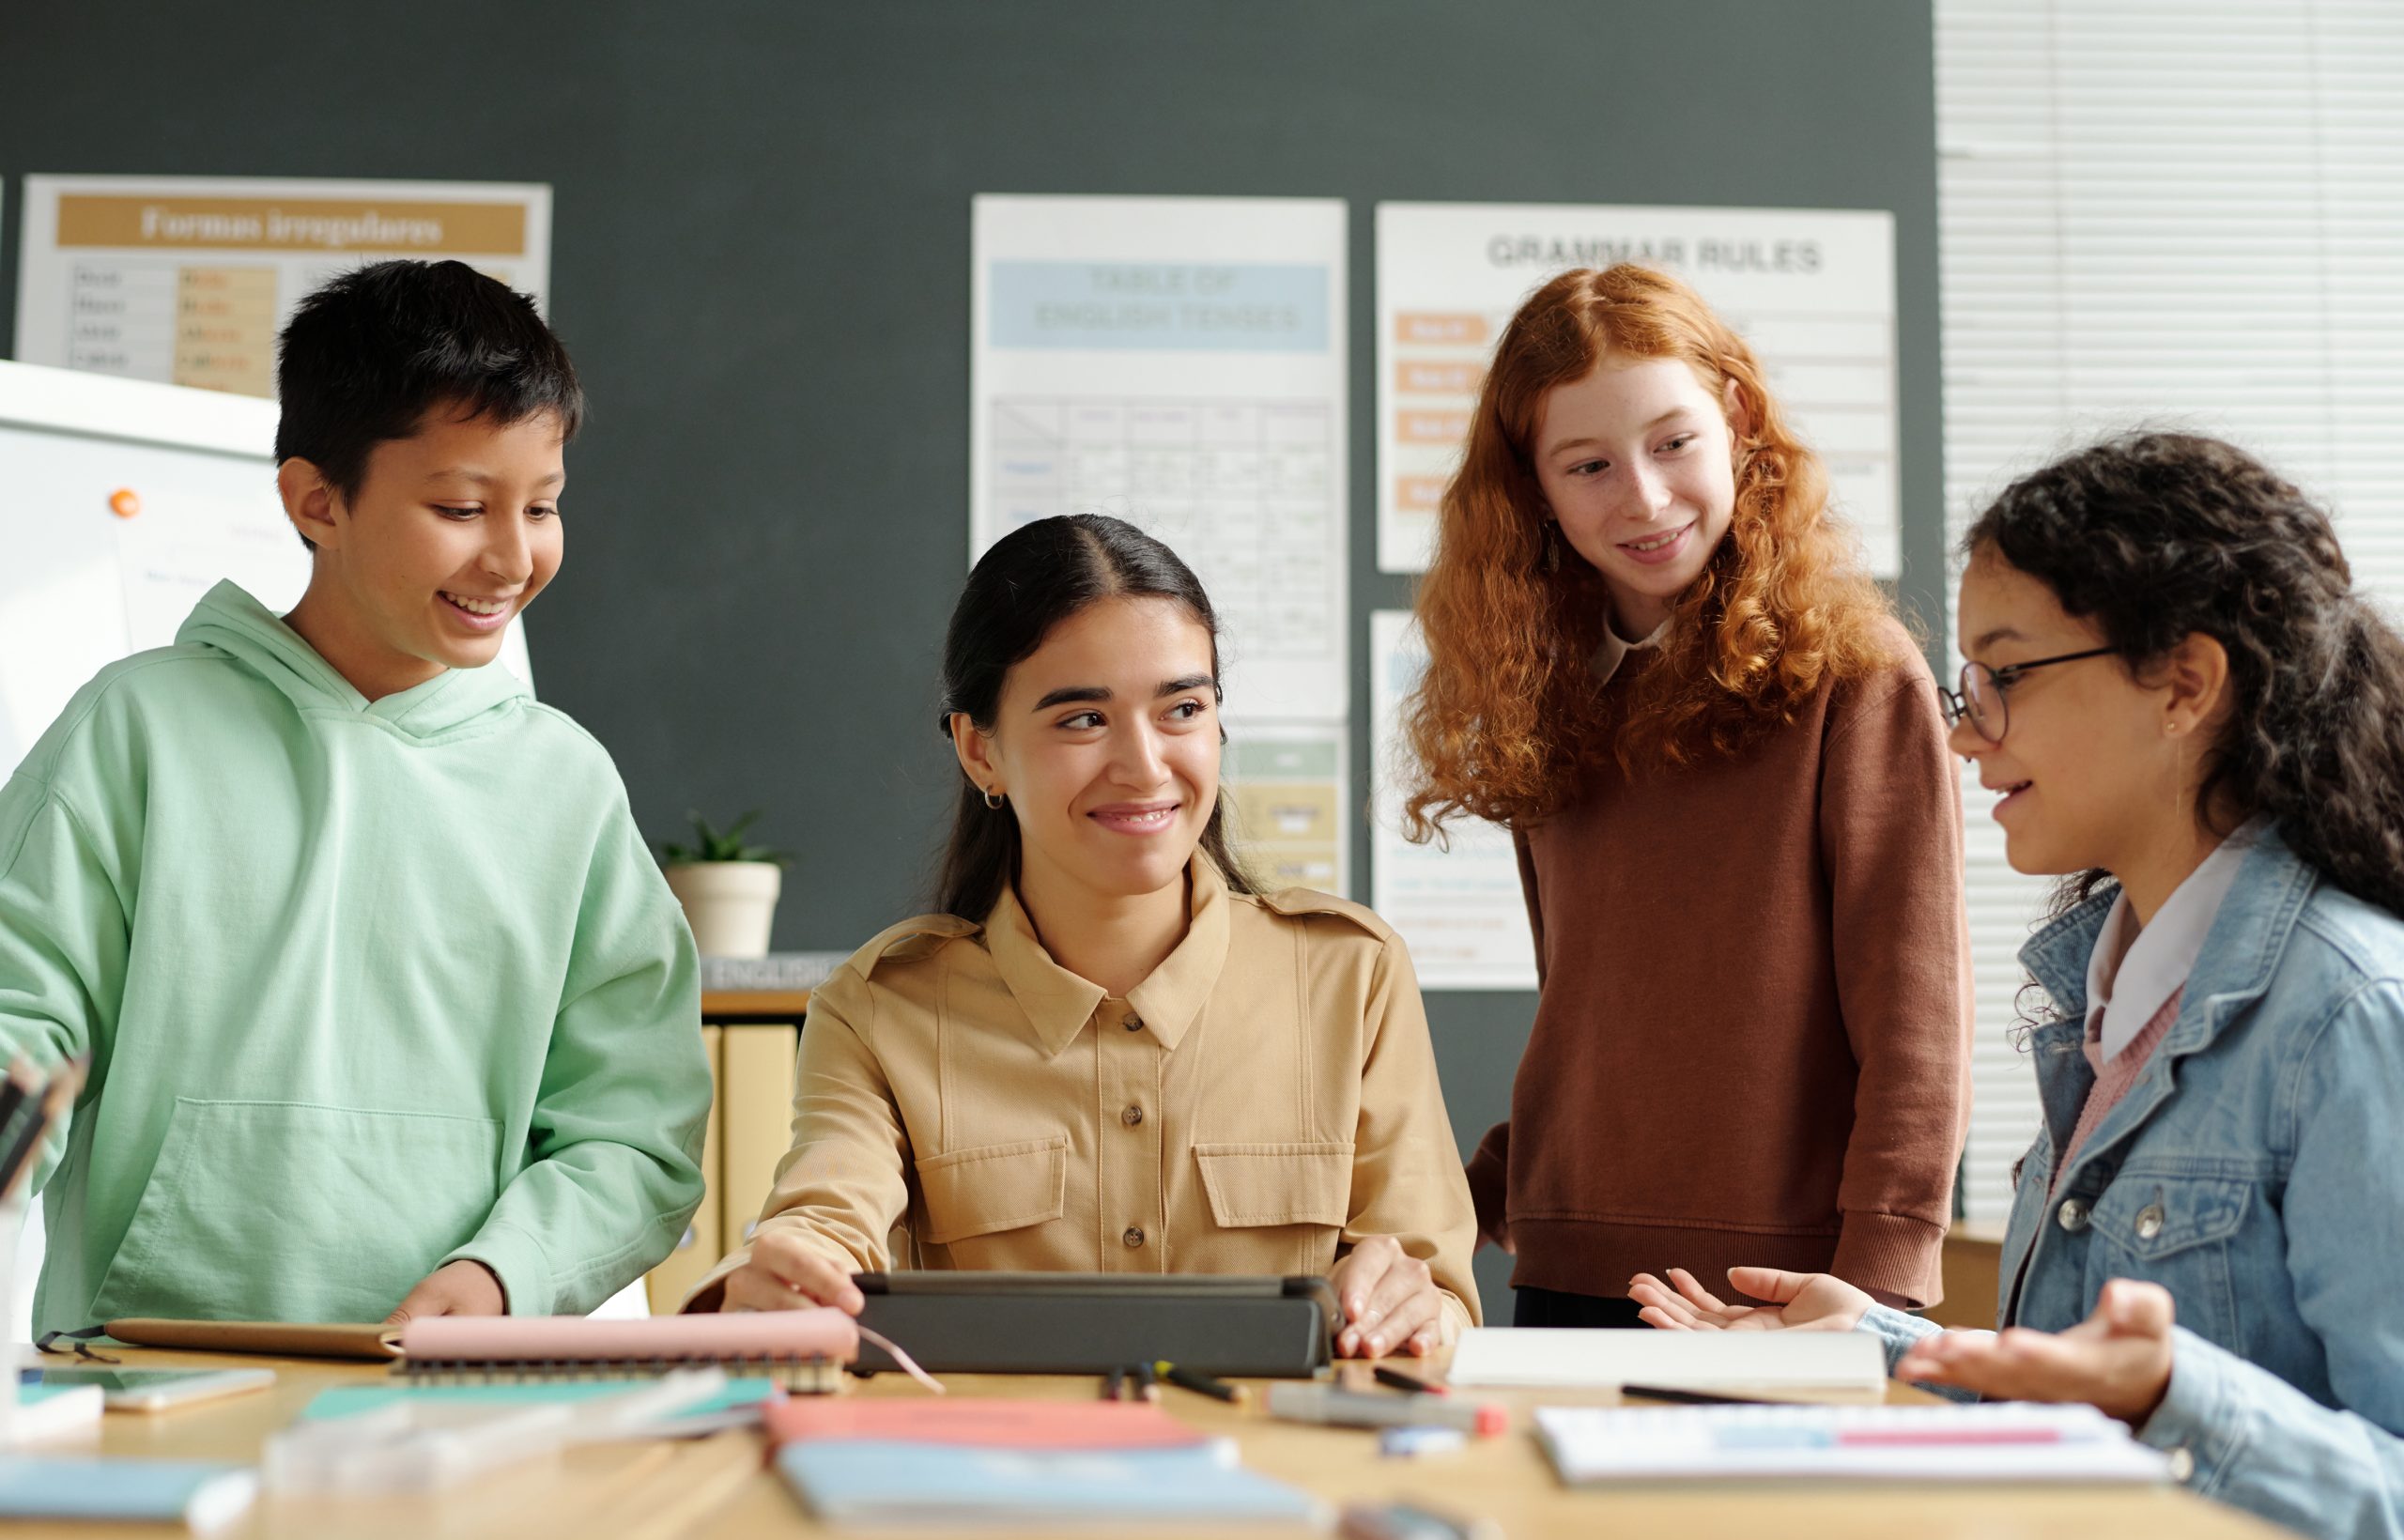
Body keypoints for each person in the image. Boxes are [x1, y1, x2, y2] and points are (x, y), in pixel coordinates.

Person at [1633, 433, 2404, 1540]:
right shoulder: (2110, 992)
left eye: (2007, 676)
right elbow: (2077, 1415)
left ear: (2182, 683)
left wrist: (2169, 1399)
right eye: (1965, 683)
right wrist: (1883, 1344)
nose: (1960, 730)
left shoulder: (2348, 1017)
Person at [0, 259, 709, 1330]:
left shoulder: (563, 787)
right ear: (315, 500)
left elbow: (635, 1131)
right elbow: (22, 1020)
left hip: (455, 1399)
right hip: (148, 1378)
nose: (514, 557)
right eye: (464, 507)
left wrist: (502, 1276)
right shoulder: (136, 731)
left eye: (545, 507)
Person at [687, 515, 1479, 1358]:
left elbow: (1435, 1293)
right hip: (1000, 1478)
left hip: (1282, 1471)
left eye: (1182, 707)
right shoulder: (882, 1007)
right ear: (979, 749)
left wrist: (1417, 1305)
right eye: (1081, 721)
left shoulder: (1349, 976)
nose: (1144, 765)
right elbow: (825, 1217)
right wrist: (784, 1276)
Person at [1403, 263, 1968, 1327]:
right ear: (1531, 485)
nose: (1645, 497)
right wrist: (1467, 1194)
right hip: (1566, 1271)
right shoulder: (1542, 692)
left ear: (1739, 421)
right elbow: (1605, 1012)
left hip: (1785, 1288)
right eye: (1588, 465)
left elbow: (1915, 1019)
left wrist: (1878, 1285)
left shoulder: (1854, 672)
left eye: (1673, 442)